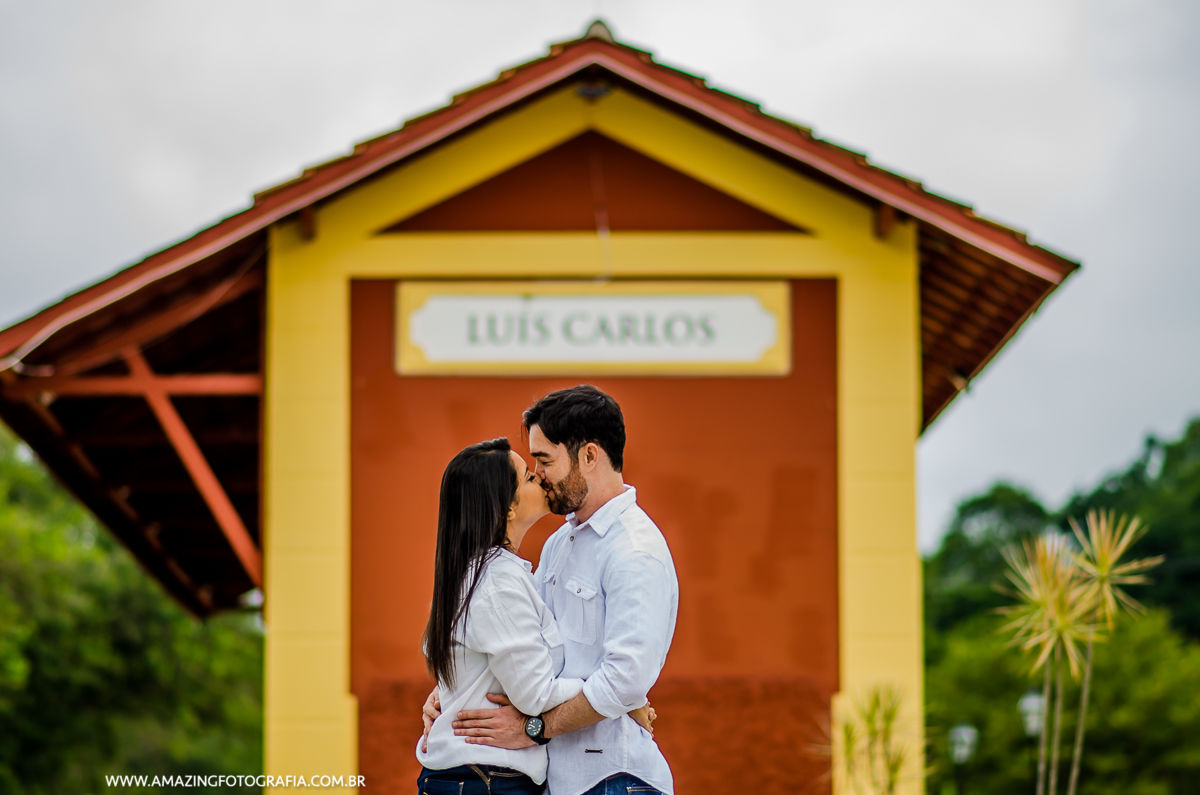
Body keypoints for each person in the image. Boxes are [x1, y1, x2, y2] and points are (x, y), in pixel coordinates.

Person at [442, 386, 680, 795]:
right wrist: (450, 692)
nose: (539, 475)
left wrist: (534, 729)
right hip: (558, 781)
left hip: (614, 780)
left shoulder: (635, 551)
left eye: (545, 460)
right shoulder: (558, 545)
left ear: (589, 456)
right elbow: (514, 643)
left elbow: (626, 679)